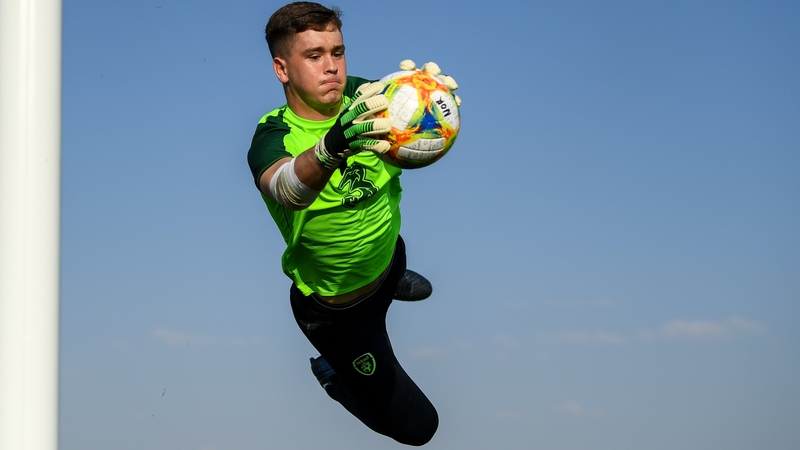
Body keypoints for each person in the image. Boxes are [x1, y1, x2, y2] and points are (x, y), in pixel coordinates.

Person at [246, 2, 459, 446]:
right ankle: (333, 373)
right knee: (420, 428)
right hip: (339, 315)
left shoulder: (373, 99)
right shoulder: (272, 137)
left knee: (391, 248)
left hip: (387, 256)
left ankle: (392, 277)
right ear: (282, 69)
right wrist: (331, 147)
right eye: (314, 56)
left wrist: (432, 103)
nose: (332, 67)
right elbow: (286, 187)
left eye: (338, 52)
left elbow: (422, 114)